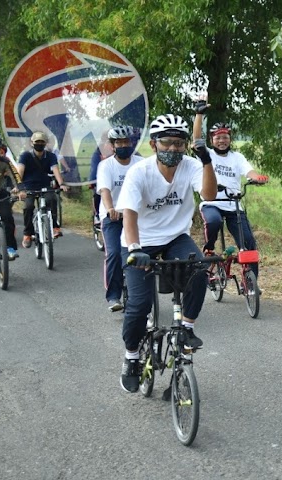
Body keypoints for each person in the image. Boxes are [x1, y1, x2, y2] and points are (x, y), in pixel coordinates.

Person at [116, 113, 217, 393]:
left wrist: (206, 158)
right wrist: (135, 250)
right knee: (138, 305)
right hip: (142, 240)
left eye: (178, 143)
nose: (173, 148)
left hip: (175, 237)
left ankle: (186, 327)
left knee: (199, 269)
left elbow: (208, 195)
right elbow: (130, 215)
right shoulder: (140, 172)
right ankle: (132, 357)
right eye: (166, 143)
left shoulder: (191, 166)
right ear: (153, 145)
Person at [192, 98, 269, 281]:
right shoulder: (208, 154)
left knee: (249, 243)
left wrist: (256, 178)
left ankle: (251, 283)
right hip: (212, 202)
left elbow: (249, 171)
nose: (222, 140)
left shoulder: (237, 157)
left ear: (230, 139)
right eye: (218, 137)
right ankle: (209, 248)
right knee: (213, 221)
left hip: (233, 204)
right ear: (212, 139)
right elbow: (196, 140)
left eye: (225, 136)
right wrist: (199, 114)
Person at [96, 125, 144, 312]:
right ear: (113, 145)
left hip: (136, 215)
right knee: (115, 253)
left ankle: (141, 292)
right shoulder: (106, 165)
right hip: (113, 217)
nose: (124, 145)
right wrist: (110, 209)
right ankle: (114, 296)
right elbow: (105, 191)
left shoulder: (140, 163)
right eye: (119, 142)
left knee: (141, 253)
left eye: (127, 142)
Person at [15, 131, 69, 248]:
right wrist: (19, 188)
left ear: (46, 143)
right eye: (37, 142)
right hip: (28, 187)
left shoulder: (51, 156)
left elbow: (55, 170)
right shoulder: (25, 156)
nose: (39, 144)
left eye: (42, 142)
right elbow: (19, 172)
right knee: (28, 207)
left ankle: (55, 226)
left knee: (52, 200)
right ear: (32, 143)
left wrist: (62, 184)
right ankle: (27, 234)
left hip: (45, 186)